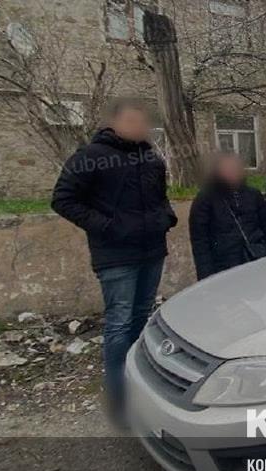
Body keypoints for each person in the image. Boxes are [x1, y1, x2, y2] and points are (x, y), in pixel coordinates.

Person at [51, 101, 177, 424]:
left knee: (141, 319)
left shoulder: (151, 158)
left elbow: (161, 197)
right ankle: (118, 398)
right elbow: (62, 199)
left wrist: (166, 218)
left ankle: (139, 389)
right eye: (132, 120)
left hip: (152, 252)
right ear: (115, 122)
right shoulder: (91, 156)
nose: (139, 126)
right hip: (116, 256)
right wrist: (109, 227)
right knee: (119, 323)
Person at [189, 153, 266, 281]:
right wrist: (206, 277)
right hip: (224, 266)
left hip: (256, 260)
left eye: (235, 168)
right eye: (227, 169)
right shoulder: (205, 199)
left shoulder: (254, 195)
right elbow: (200, 242)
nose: (232, 172)